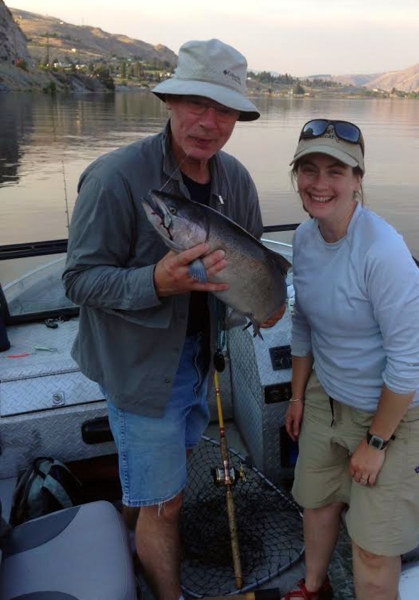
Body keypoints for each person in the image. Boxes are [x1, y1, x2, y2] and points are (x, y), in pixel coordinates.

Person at [62, 38, 284, 600]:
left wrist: (265, 307)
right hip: (140, 373)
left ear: (237, 116)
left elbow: (255, 268)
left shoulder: (235, 181)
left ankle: (134, 548)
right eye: (195, 104)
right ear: (170, 100)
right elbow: (79, 280)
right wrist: (155, 281)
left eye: (224, 109)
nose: (208, 123)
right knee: (166, 501)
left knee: (164, 485)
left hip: (198, 363)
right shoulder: (115, 178)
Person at [284, 119, 419, 600]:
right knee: (316, 502)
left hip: (395, 417)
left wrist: (375, 441)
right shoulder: (305, 239)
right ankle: (314, 588)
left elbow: (409, 362)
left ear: (358, 180)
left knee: (373, 549)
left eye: (336, 170)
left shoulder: (383, 251)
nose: (319, 183)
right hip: (325, 399)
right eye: (308, 169)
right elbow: (303, 322)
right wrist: (296, 395)